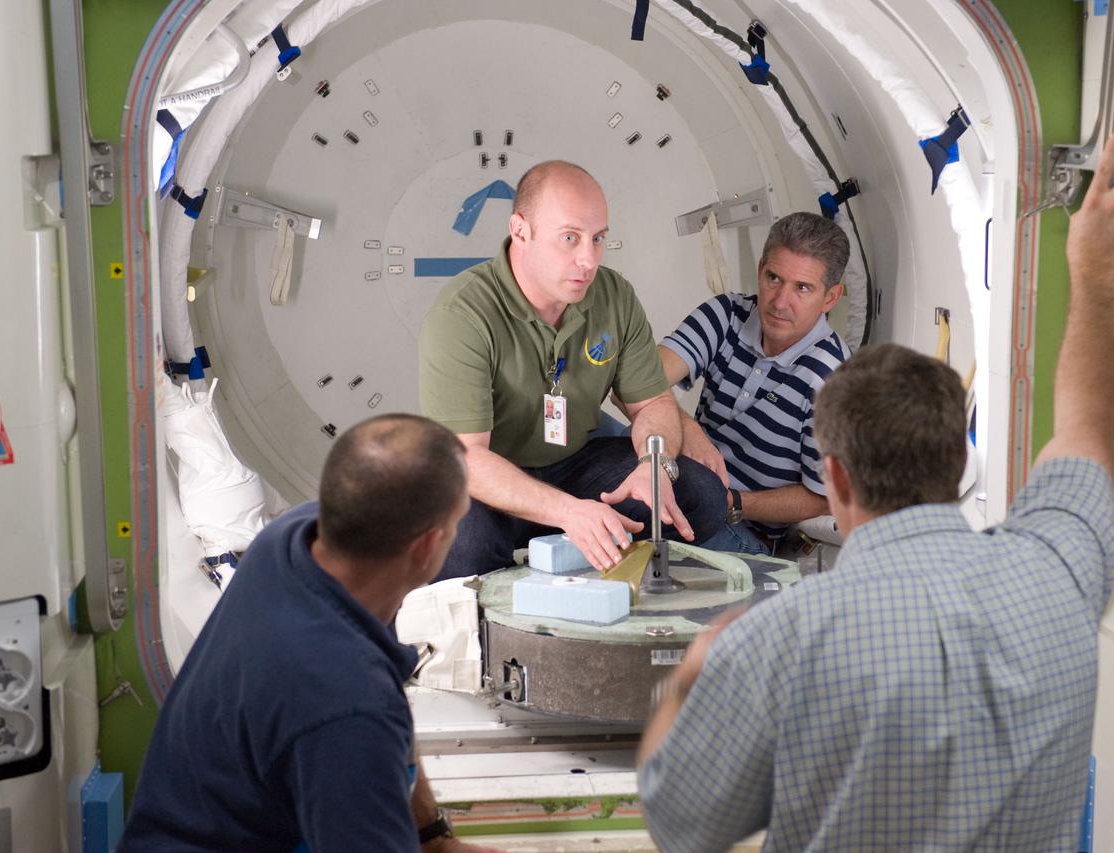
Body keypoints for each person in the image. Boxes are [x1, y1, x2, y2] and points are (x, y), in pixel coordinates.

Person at [637, 131, 1114, 851]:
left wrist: (691, 674)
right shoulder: (1060, 571)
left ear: (833, 478)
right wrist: (1095, 276)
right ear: (961, 467)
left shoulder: (778, 639)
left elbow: (679, 824)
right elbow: (1092, 424)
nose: (781, 298)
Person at [120, 415, 502, 853]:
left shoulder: (294, 541)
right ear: (426, 548)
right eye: (457, 523)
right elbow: (360, 711)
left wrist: (433, 838)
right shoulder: (347, 703)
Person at [419, 160, 725, 579]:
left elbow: (653, 401)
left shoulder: (614, 296)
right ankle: (507, 624)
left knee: (699, 495)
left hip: (575, 464)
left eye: (598, 239)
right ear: (520, 231)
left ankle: (613, 590)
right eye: (570, 238)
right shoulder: (462, 314)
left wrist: (653, 466)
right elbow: (467, 458)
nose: (588, 259)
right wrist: (567, 512)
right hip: (491, 479)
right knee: (460, 545)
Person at [658, 211, 851, 555]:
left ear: (830, 298)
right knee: (592, 437)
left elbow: (824, 499)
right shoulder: (726, 314)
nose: (779, 302)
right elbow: (637, 380)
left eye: (802, 288)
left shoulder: (833, 381)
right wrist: (689, 431)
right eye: (774, 278)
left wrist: (729, 501)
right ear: (760, 269)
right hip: (677, 481)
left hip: (737, 527)